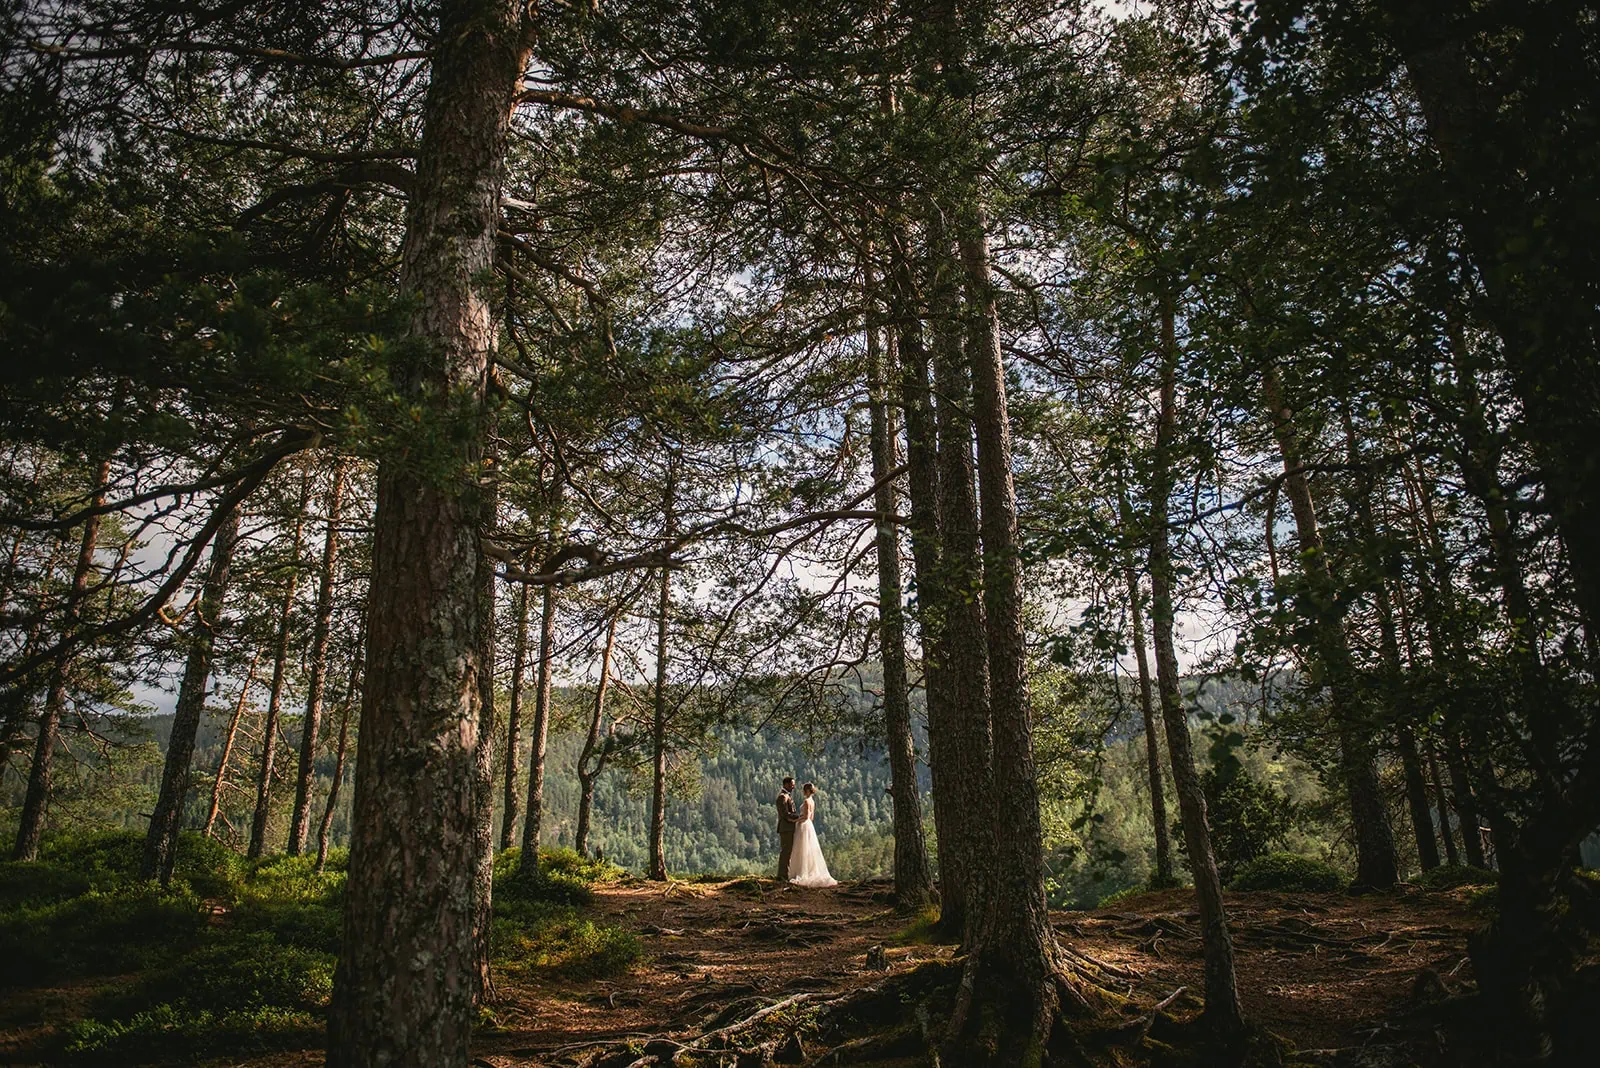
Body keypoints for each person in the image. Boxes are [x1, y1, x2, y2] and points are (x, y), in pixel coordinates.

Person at [788, 782, 837, 888]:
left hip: (803, 825)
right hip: (809, 826)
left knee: (802, 848)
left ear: (806, 791)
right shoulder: (812, 802)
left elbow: (805, 817)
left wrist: (795, 820)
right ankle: (809, 869)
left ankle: (801, 871)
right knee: (809, 849)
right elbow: (811, 817)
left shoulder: (806, 801)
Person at [775, 776, 800, 881]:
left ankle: (785, 874)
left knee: (788, 851)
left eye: (793, 785)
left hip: (789, 828)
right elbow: (785, 814)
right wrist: (798, 817)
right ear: (785, 784)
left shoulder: (786, 796)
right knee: (786, 851)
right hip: (786, 828)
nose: (793, 787)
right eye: (791, 784)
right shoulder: (782, 797)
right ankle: (782, 875)